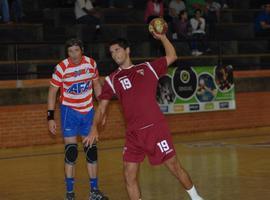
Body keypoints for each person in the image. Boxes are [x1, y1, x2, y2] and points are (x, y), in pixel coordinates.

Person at [83, 33, 204, 199]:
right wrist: (94, 128)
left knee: (174, 167)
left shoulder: (148, 68)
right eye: (111, 52)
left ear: (127, 50)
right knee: (128, 175)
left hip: (155, 129)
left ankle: (196, 197)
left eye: (117, 50)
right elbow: (102, 107)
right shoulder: (112, 79)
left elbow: (172, 56)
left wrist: (162, 37)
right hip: (133, 134)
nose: (115, 54)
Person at [47, 38, 108, 200]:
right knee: (71, 152)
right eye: (70, 51)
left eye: (76, 50)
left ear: (82, 50)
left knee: (91, 152)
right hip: (69, 112)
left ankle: (94, 191)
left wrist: (102, 111)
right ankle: (70, 194)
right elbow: (52, 92)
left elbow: (96, 86)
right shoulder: (61, 68)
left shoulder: (91, 64)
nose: (73, 54)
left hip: (88, 111)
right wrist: (50, 117)